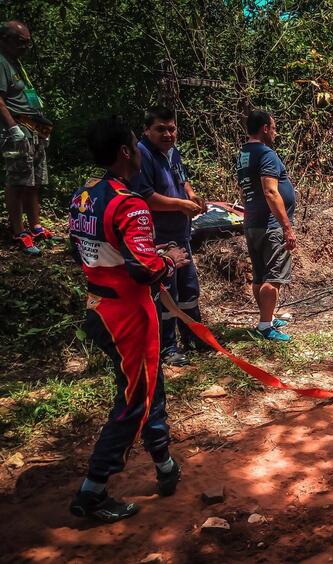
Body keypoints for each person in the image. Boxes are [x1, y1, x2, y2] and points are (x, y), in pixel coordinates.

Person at [68, 115, 189, 523]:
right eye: (135, 143)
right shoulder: (128, 204)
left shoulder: (84, 195)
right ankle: (93, 491)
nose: (140, 150)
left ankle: (165, 465)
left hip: (99, 305)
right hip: (128, 315)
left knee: (147, 384)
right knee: (134, 400)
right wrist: (169, 261)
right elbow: (143, 268)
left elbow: (81, 250)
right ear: (125, 152)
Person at [132, 106, 204, 366]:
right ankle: (167, 347)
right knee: (166, 294)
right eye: (160, 129)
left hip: (181, 234)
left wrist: (192, 195)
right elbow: (146, 197)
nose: (167, 134)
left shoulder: (172, 153)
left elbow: (183, 180)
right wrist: (180, 205)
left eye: (171, 128)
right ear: (147, 130)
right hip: (159, 239)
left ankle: (194, 337)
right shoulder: (142, 155)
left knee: (189, 289)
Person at [237, 109, 297, 341]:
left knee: (260, 276)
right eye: (273, 127)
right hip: (270, 225)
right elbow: (271, 192)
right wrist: (286, 227)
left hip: (253, 223)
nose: (275, 131)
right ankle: (265, 326)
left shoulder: (243, 154)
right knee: (273, 278)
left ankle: (267, 317)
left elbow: (245, 191)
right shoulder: (266, 154)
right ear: (264, 128)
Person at [0, 20, 55, 256]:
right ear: (5, 40)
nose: (25, 47)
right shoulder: (1, 63)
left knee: (34, 181)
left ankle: (35, 226)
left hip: (34, 128)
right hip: (18, 128)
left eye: (27, 43)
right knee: (18, 181)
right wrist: (13, 128)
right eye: (21, 42)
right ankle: (18, 230)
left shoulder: (15, 62)